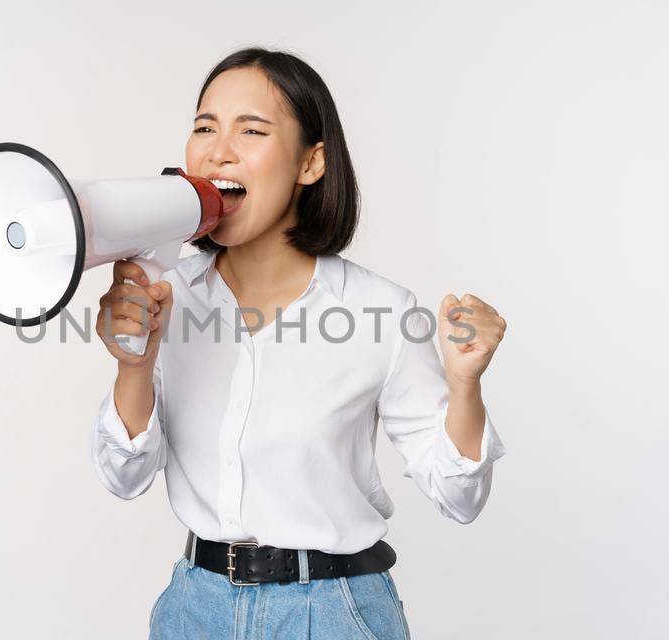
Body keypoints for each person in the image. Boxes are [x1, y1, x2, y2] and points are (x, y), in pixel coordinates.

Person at [90, 47, 509, 640]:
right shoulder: (166, 296)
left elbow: (459, 498)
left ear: (311, 163)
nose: (218, 150)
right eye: (204, 127)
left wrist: (465, 385)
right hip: (193, 610)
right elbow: (123, 479)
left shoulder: (382, 312)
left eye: (251, 130)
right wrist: (135, 364)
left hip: (332, 613)